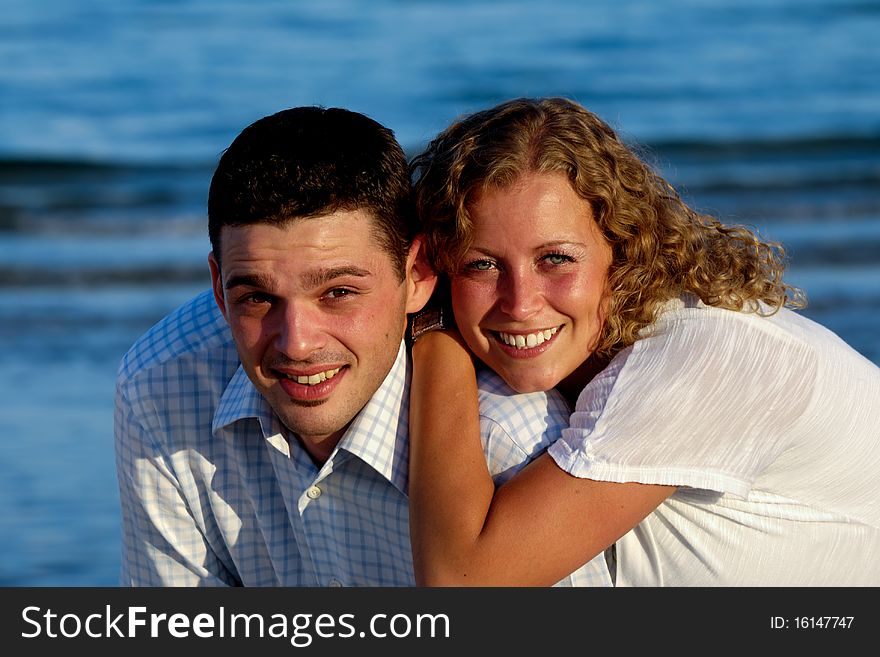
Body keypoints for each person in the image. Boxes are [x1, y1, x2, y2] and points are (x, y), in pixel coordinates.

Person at [114, 105, 611, 586]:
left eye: (338, 293)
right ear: (219, 287)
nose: (298, 343)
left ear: (416, 274)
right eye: (258, 297)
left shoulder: (513, 443)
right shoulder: (162, 388)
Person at [407, 96, 880, 586]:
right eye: (482, 264)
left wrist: (433, 337)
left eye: (556, 259)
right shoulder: (609, 346)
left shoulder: (700, 358)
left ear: (623, 246)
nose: (520, 303)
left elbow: (462, 584)